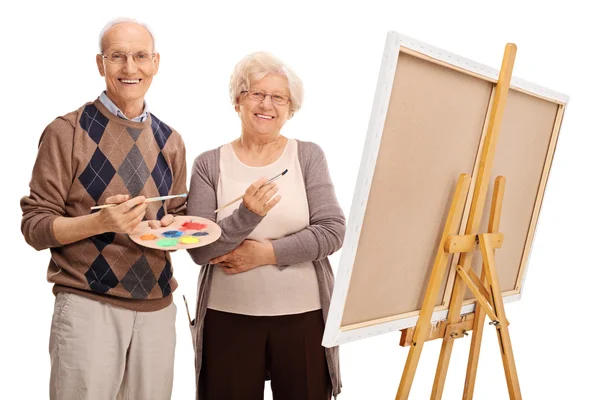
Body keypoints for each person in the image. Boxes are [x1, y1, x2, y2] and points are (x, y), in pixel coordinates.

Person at [20, 18, 187, 400]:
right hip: (87, 307)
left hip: (157, 310)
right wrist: (100, 222)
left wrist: (172, 228)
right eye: (118, 57)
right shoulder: (67, 131)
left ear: (156, 63)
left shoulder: (171, 141)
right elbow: (34, 226)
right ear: (101, 64)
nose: (131, 68)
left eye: (141, 56)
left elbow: (174, 223)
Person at [186, 51, 345, 400]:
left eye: (278, 97)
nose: (267, 104)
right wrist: (247, 216)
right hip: (227, 317)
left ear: (290, 108)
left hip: (303, 318)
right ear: (238, 101)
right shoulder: (209, 164)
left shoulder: (308, 156)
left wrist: (266, 253)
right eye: (257, 93)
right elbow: (199, 248)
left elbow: (333, 230)